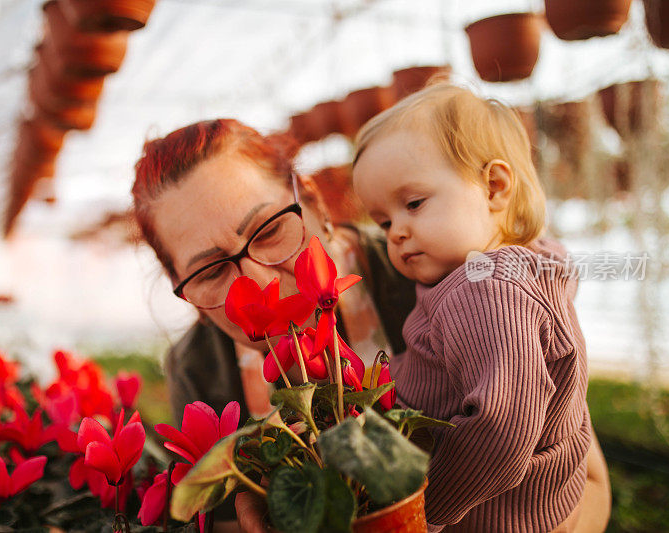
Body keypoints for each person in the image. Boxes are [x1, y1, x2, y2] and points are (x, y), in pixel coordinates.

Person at [131, 116, 610, 532]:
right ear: (187, 296)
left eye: (271, 230)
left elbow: (589, 482)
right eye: (211, 271)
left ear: (316, 207)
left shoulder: (440, 276)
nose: (258, 283)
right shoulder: (198, 367)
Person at [351, 82, 611, 532]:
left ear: (494, 187)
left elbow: (501, 427)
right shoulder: (493, 275)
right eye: (384, 221)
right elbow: (440, 366)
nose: (395, 232)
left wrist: (424, 512)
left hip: (495, 516)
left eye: (413, 203)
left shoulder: (486, 288)